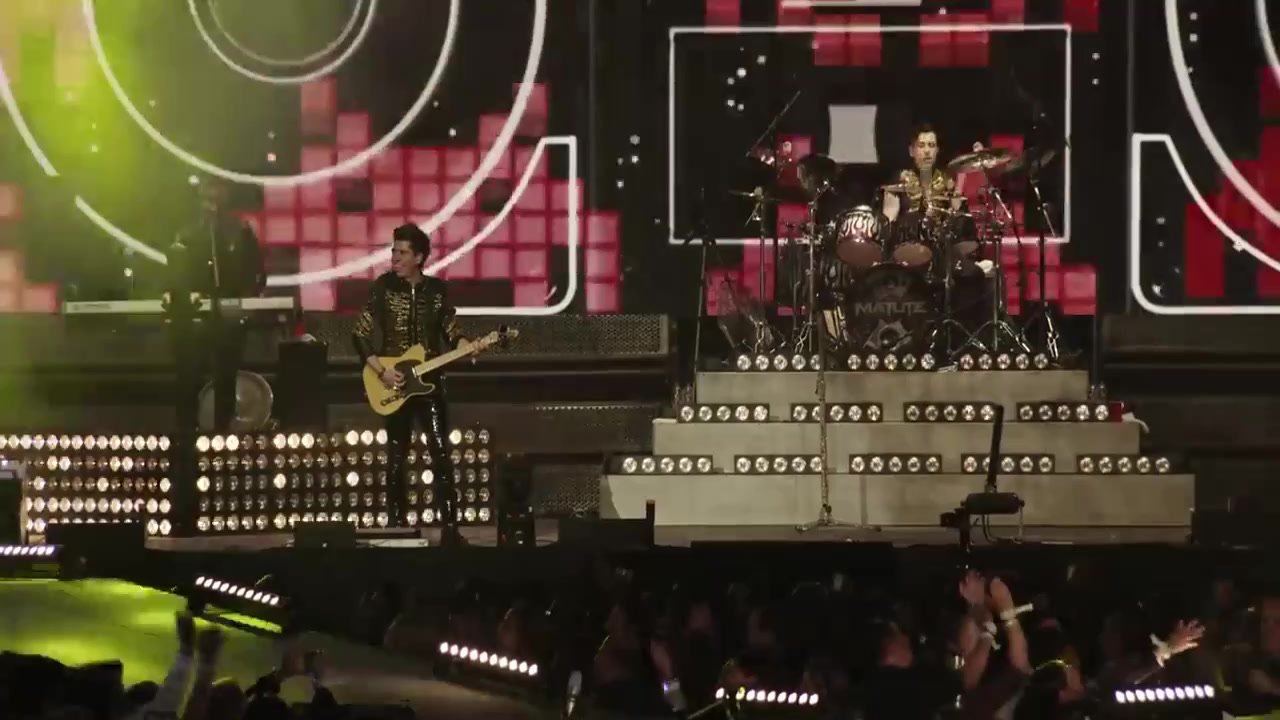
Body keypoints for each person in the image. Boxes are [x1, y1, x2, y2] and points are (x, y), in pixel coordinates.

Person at [352, 223, 468, 544]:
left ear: (419, 258)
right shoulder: (383, 288)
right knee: (396, 456)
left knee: (440, 453)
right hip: (395, 383)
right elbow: (359, 334)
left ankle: (450, 528)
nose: (395, 258)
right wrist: (381, 371)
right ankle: (397, 526)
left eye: (402, 253)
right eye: (394, 251)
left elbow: (450, 327)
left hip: (430, 381)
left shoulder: (436, 291)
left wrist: (462, 342)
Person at [168, 178, 265, 434]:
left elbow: (256, 270)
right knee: (189, 376)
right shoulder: (187, 233)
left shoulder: (239, 230)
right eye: (207, 190)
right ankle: (187, 434)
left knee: (226, 376)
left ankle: (222, 432)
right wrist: (185, 294)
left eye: (217, 189)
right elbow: (175, 271)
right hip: (194, 318)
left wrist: (246, 299)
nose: (212, 196)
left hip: (229, 316)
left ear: (226, 194)